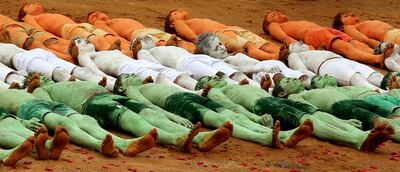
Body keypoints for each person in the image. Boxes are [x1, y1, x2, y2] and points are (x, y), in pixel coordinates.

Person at [29, 73, 231, 153]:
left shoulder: (72, 80)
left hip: (109, 96)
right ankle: (174, 138)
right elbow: (47, 105)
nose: (42, 78)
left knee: (152, 114)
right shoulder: (42, 90)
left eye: (43, 76)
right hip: (92, 103)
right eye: (35, 77)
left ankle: (200, 137)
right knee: (133, 119)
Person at [196, 75, 393, 151]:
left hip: (272, 99)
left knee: (317, 115)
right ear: (204, 87)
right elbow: (231, 106)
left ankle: (354, 131)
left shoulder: (236, 85)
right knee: (308, 120)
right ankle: (354, 139)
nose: (214, 78)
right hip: (262, 105)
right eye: (208, 79)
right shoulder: (215, 91)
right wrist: (253, 117)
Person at [113, 73, 309, 148]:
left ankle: (280, 134)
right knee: (217, 118)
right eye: (128, 77)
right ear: (122, 87)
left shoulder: (144, 84)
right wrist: (172, 116)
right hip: (177, 103)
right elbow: (149, 106)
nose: (133, 76)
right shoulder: (133, 90)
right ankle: (263, 138)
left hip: (190, 97)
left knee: (233, 114)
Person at [0, 83, 159, 157]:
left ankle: (122, 143)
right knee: (65, 124)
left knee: (86, 121)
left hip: (50, 103)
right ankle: (99, 144)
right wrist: (22, 121)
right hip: (27, 108)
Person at [271, 74, 400, 143]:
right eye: (288, 82)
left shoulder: (324, 88)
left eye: (291, 78)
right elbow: (315, 112)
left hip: (354, 101)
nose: (293, 79)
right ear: (282, 93)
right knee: (380, 121)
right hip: (340, 106)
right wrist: (342, 122)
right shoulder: (296, 96)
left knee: (393, 116)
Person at [263, 11, 399, 69]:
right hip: (315, 34)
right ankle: (377, 59)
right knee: (345, 47)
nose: (278, 14)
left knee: (355, 43)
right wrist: (303, 47)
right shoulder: (275, 26)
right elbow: (285, 38)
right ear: (268, 25)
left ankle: (374, 53)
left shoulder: (291, 22)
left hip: (325, 30)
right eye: (272, 15)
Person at [71, 37, 198, 90]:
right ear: (75, 50)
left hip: (139, 63)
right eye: (79, 41)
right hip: (127, 68)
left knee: (178, 76)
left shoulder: (104, 52)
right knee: (160, 79)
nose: (85, 39)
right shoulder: (86, 55)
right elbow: (92, 69)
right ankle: (192, 94)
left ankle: (198, 88)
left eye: (84, 38)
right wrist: (109, 80)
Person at [132, 36, 257, 86]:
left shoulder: (163, 48)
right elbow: (155, 66)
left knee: (235, 73)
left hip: (197, 58)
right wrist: (138, 51)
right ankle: (248, 89)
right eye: (142, 40)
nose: (146, 38)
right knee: (222, 77)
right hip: (185, 63)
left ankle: (260, 88)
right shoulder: (144, 52)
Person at [195, 33, 308, 87]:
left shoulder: (231, 56)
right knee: (290, 84)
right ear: (208, 55)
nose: (221, 48)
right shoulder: (222, 63)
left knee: (302, 78)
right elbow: (239, 69)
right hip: (261, 73)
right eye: (216, 48)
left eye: (220, 44)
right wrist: (262, 68)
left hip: (270, 66)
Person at [165, 9, 281, 60]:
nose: (179, 11)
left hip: (231, 29)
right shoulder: (179, 23)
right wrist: (215, 43)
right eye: (175, 13)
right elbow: (193, 37)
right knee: (249, 45)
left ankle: (279, 53)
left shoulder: (193, 20)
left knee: (263, 43)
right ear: (172, 24)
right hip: (220, 34)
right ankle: (272, 57)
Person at [0, 43, 116, 90]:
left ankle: (115, 85)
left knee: (79, 70)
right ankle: (87, 88)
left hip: (37, 52)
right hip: (22, 60)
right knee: (61, 74)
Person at [285, 42, 393, 90]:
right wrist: (317, 81)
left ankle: (393, 88)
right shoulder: (294, 55)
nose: (300, 43)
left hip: (342, 60)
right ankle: (381, 93)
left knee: (375, 77)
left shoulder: (317, 50)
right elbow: (302, 70)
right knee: (355, 77)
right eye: (295, 45)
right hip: (325, 65)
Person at [18, 3, 122, 52]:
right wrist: (61, 41)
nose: (35, 3)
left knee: (110, 39)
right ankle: (115, 53)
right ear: (23, 16)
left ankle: (129, 52)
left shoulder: (47, 15)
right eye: (28, 6)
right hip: (68, 29)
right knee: (98, 41)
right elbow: (40, 31)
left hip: (80, 26)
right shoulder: (29, 17)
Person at [87, 11, 196, 53]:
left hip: (150, 30)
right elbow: (112, 35)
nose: (95, 15)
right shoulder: (100, 24)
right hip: (137, 33)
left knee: (179, 42)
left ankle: (195, 50)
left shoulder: (115, 20)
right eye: (92, 17)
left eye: (97, 13)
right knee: (161, 42)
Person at [0, 15, 73, 62]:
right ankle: (68, 60)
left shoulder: (28, 17)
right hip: (8, 29)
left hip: (22, 25)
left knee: (51, 42)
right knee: (33, 44)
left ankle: (75, 57)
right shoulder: (29, 17)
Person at [332, 12, 400, 47]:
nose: (351, 14)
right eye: (346, 16)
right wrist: (384, 46)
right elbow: (365, 40)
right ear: (341, 27)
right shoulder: (348, 27)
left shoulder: (362, 24)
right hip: (392, 37)